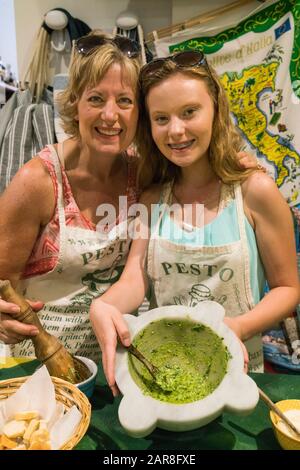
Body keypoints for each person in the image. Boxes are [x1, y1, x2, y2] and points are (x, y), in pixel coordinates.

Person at [0, 33, 259, 366]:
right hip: (45, 366)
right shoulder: (38, 182)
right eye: (96, 99)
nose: (111, 115)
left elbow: (199, 164)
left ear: (140, 113)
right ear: (75, 104)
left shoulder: (147, 172)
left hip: (125, 360)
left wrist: (236, 163)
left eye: (125, 101)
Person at [89, 50, 299, 396]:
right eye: (161, 118)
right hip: (163, 372)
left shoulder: (254, 191)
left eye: (189, 112)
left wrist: (236, 327)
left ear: (215, 110)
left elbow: (288, 288)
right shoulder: (153, 199)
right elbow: (134, 280)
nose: (176, 130)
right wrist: (105, 305)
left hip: (239, 373)